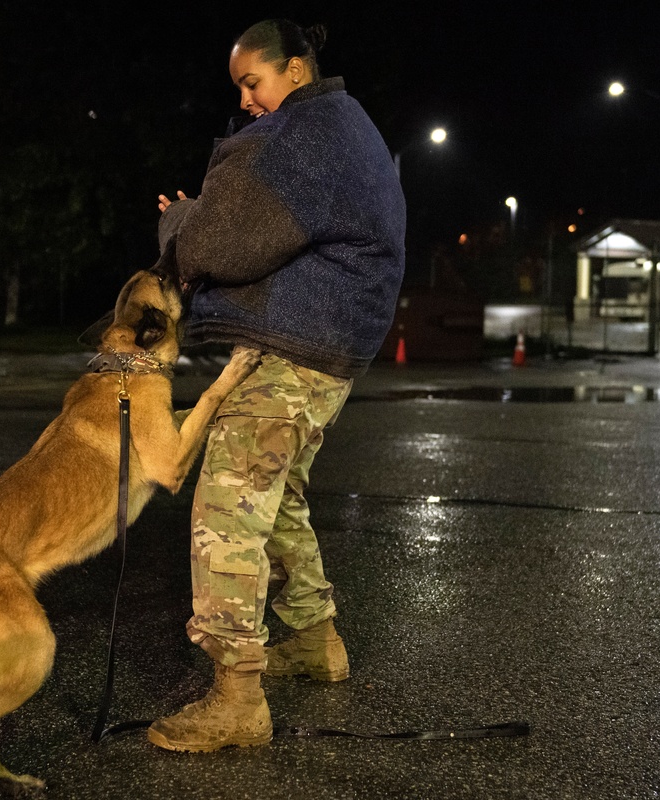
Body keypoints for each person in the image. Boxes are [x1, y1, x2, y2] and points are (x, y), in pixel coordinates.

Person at [147, 18, 406, 752]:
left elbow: (219, 242)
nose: (248, 99)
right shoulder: (342, 126)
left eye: (251, 81)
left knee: (227, 503)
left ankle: (236, 700)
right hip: (328, 344)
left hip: (300, 347)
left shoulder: (307, 135)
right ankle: (315, 640)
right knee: (277, 493)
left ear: (295, 69)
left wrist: (177, 224)